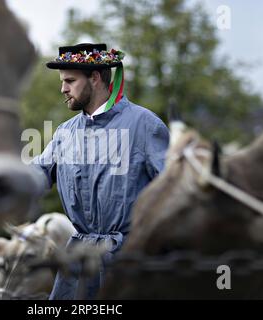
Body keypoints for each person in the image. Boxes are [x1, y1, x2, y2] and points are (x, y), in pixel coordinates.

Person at [31, 43, 169, 299]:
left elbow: (173, 191)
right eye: (63, 81)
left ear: (95, 77)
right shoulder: (65, 133)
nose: (63, 88)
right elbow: (36, 175)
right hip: (79, 264)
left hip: (130, 263)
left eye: (70, 80)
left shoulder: (145, 125)